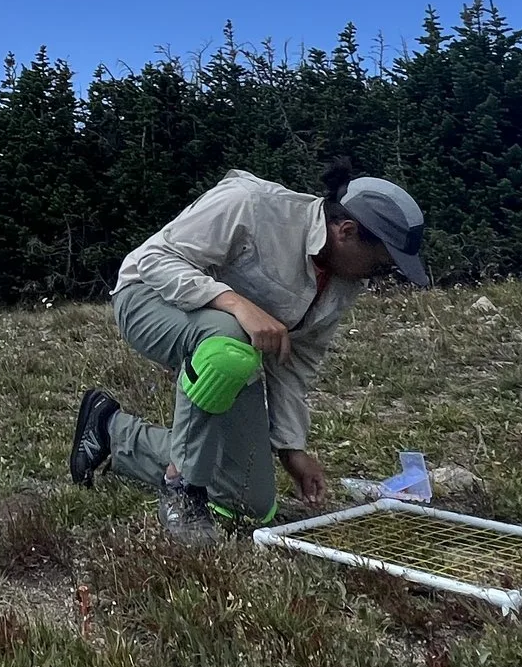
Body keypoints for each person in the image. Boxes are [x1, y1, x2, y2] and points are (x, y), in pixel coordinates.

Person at [68, 159, 428, 545]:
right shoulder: (251, 203)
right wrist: (235, 303)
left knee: (247, 502)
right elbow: (155, 261)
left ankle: (111, 432)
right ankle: (182, 489)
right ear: (347, 231)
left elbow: (296, 360)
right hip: (146, 299)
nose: (376, 276)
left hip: (231, 350)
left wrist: (291, 448)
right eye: (379, 265)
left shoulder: (343, 283)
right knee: (230, 343)